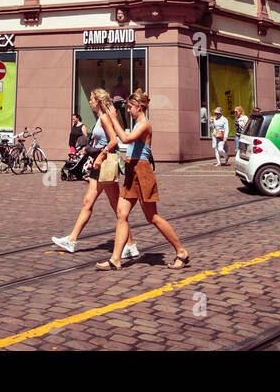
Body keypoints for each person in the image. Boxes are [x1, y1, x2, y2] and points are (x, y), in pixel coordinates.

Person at [97, 89, 190, 271]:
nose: (128, 110)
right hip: (132, 172)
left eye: (130, 107)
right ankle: (115, 259)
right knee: (122, 214)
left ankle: (181, 251)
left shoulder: (145, 125)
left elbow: (125, 138)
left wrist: (114, 118)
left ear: (139, 107)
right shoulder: (138, 124)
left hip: (142, 172)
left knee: (152, 217)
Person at [52, 91, 138, 259]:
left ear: (98, 101)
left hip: (104, 164)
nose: (89, 102)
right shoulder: (100, 118)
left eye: (91, 100)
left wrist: (100, 155)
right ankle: (73, 240)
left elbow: (114, 141)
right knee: (94, 203)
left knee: (117, 210)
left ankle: (130, 245)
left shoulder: (105, 118)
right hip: (99, 165)